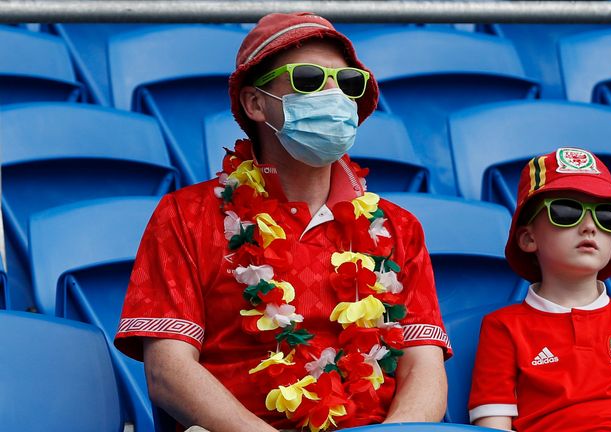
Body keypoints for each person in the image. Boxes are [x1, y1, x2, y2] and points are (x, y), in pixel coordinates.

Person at [115, 12, 451, 432]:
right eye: (308, 79)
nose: (334, 96)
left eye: (348, 83)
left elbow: (425, 369)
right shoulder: (186, 214)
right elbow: (168, 371)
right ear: (255, 103)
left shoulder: (398, 226)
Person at [468, 148, 611, 431]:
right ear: (527, 238)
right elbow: (494, 424)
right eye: (566, 211)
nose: (589, 227)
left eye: (608, 217)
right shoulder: (502, 327)